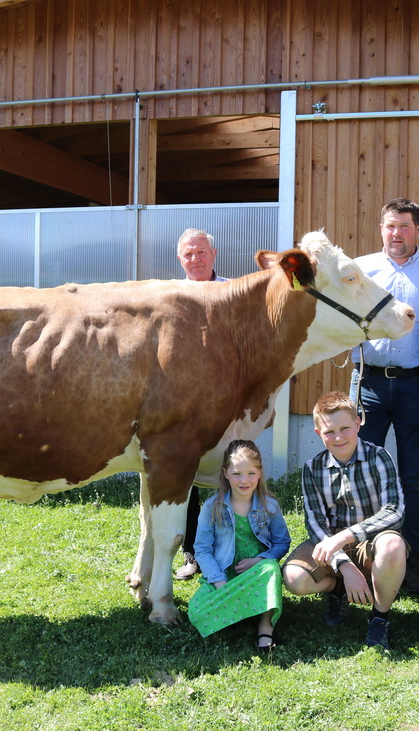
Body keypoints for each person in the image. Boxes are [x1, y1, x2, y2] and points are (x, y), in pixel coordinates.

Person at [350, 198, 419, 594]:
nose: (396, 234)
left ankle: (413, 562)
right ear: (381, 228)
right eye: (390, 226)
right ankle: (363, 554)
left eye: (404, 226)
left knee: (413, 475)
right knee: (364, 471)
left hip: (416, 385)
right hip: (369, 383)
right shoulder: (361, 270)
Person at [282, 392, 407, 651]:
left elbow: (394, 510)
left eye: (344, 428)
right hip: (331, 541)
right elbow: (315, 523)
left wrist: (346, 536)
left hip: (372, 541)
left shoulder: (379, 457)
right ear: (318, 433)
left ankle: (379, 616)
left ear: (358, 423)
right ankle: (337, 588)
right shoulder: (312, 468)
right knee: (294, 578)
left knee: (393, 546)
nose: (338, 438)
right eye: (329, 432)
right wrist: (344, 565)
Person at [187, 440, 291, 651]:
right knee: (196, 612)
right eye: (237, 474)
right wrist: (219, 582)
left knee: (271, 569)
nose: (244, 480)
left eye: (251, 473)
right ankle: (240, 606)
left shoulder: (269, 506)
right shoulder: (212, 507)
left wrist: (259, 560)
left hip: (258, 576)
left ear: (260, 473)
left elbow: (282, 542)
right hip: (225, 575)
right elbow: (203, 549)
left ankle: (264, 626)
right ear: (225, 473)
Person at [173, 228, 228, 581]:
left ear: (214, 253)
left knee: (232, 472)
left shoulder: (232, 293)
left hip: (227, 400)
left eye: (201, 252)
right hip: (183, 401)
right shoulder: (171, 296)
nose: (195, 259)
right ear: (180, 259)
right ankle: (192, 553)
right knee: (185, 475)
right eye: (188, 254)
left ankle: (230, 547)